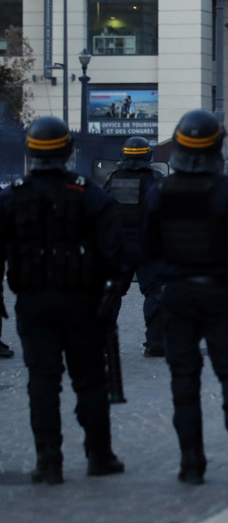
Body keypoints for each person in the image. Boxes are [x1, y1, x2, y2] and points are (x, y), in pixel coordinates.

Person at [141, 109, 228, 486]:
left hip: (176, 294)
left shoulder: (161, 191)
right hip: (217, 293)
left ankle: (191, 464)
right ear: (218, 145)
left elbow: (149, 245)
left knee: (183, 380)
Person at [0, 116, 125, 484]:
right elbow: (114, 252)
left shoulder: (11, 196)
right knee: (89, 381)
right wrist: (111, 292)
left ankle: (49, 460)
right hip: (82, 303)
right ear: (70, 152)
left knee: (42, 380)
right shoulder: (89, 193)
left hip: (33, 302)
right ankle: (99, 456)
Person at [103, 136, 165, 357]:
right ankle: (156, 342)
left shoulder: (113, 178)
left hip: (117, 246)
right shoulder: (155, 179)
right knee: (155, 292)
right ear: (148, 156)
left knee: (111, 293)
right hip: (147, 246)